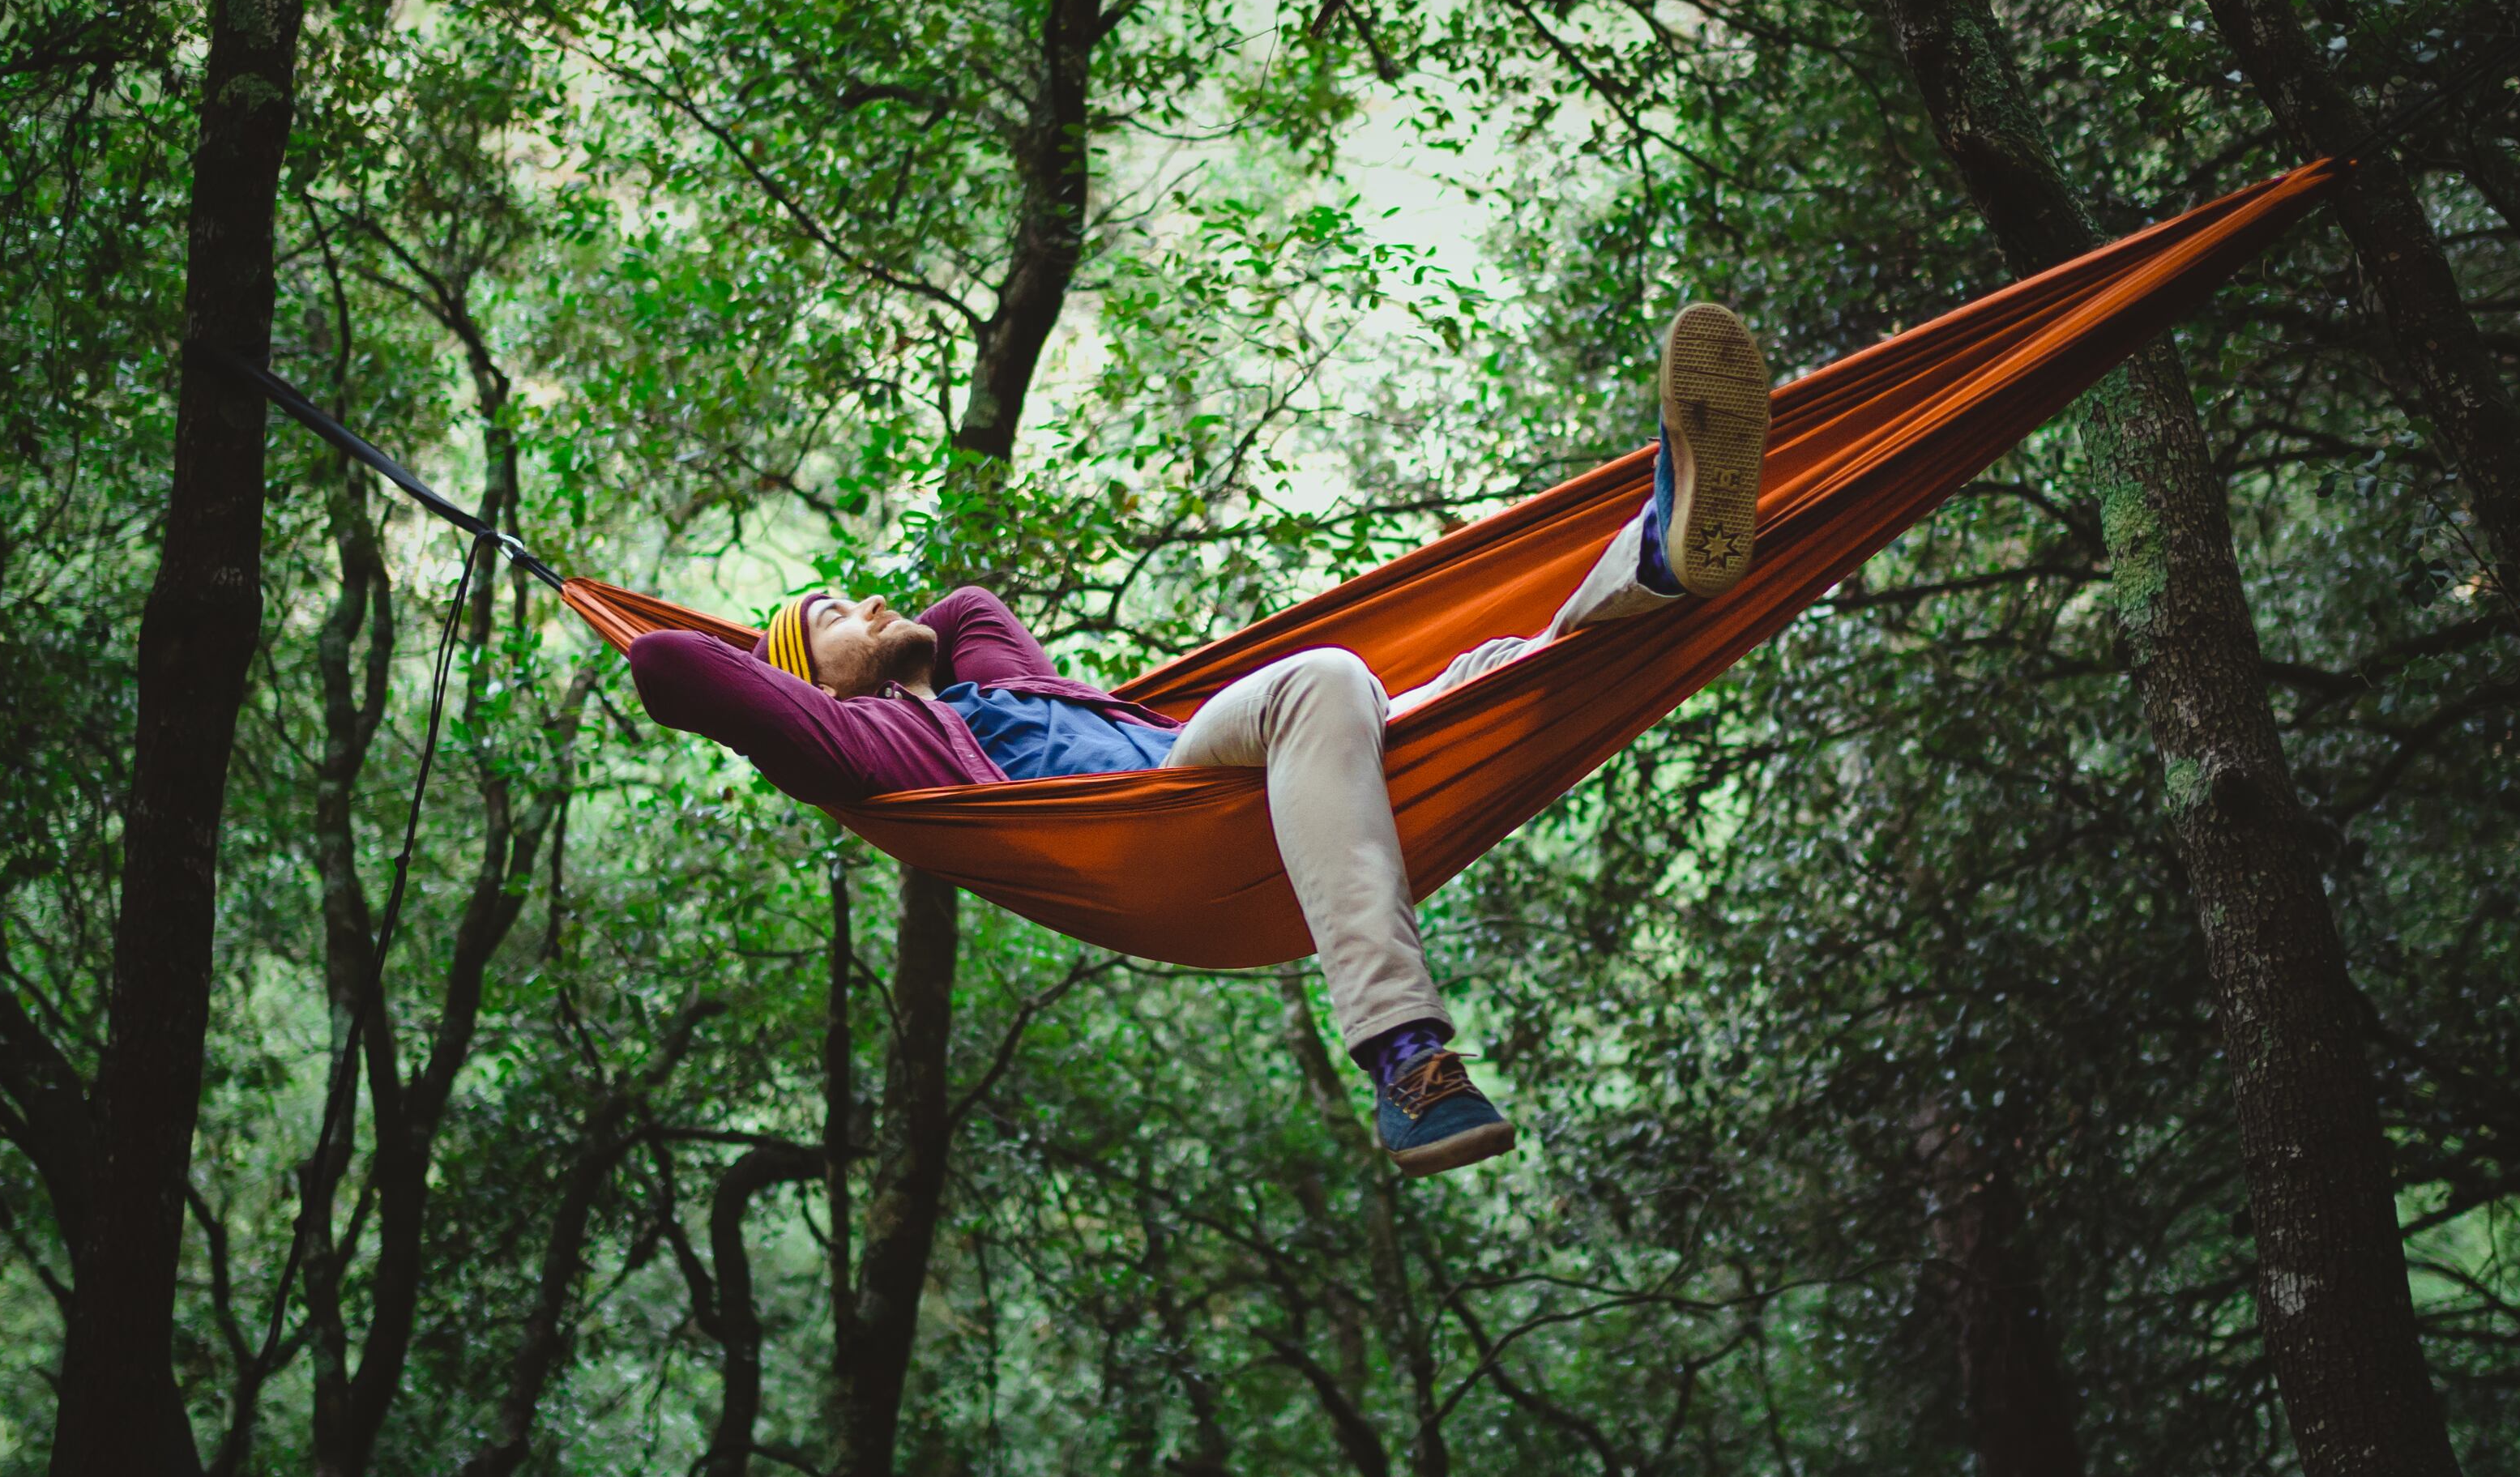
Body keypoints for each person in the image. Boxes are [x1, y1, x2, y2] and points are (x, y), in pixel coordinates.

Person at [626, 304, 1772, 1175]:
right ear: (815, 700)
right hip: (1168, 818)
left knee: (1494, 677)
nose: (868, 602)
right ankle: (1407, 1062)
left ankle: (1657, 563)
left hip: (1242, 787)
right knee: (1322, 677)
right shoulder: (893, 754)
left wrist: (870, 639)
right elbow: (670, 665)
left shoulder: (988, 694)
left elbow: (968, 609)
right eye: (833, 617)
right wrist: (779, 663)